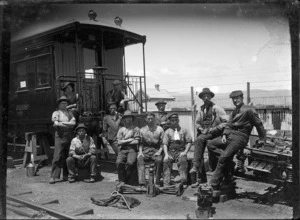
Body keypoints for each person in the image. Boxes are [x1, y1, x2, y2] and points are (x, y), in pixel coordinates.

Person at [207, 90, 266, 190]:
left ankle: (213, 183)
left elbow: (259, 124)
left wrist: (262, 139)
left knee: (222, 158)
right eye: (233, 99)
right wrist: (225, 134)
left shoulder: (249, 109)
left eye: (237, 98)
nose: (235, 100)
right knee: (211, 144)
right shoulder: (235, 110)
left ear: (242, 98)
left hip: (241, 137)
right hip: (230, 135)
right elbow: (229, 124)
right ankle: (229, 164)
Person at [189, 88, 228, 188]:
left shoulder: (217, 108)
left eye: (208, 96)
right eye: (204, 96)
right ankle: (201, 179)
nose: (206, 98)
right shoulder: (201, 109)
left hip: (215, 133)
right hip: (204, 133)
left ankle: (196, 166)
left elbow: (226, 122)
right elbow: (197, 123)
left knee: (199, 140)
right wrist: (201, 129)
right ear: (202, 98)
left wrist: (215, 129)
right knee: (199, 152)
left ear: (210, 97)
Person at [50, 96, 76, 184]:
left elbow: (74, 123)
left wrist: (62, 123)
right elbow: (56, 123)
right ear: (59, 104)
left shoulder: (70, 112)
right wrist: (68, 124)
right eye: (62, 103)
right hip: (60, 136)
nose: (64, 105)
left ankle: (66, 175)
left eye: (66, 103)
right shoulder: (56, 113)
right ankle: (53, 176)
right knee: (57, 156)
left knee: (68, 156)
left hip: (69, 135)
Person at [163, 113, 192, 188]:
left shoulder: (184, 130)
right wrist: (166, 154)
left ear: (178, 120)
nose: (174, 122)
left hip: (180, 152)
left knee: (183, 161)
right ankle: (166, 183)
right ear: (170, 121)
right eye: (172, 120)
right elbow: (165, 144)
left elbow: (189, 142)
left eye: (176, 120)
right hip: (170, 152)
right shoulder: (167, 132)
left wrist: (185, 152)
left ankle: (183, 181)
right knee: (166, 161)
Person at [137, 112, 164, 188]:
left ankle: (157, 181)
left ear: (154, 119)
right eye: (148, 119)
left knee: (159, 160)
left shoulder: (159, 129)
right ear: (146, 119)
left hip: (156, 150)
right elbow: (141, 143)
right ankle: (142, 183)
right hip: (145, 150)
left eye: (152, 119)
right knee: (140, 159)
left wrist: (159, 152)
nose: (150, 120)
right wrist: (140, 152)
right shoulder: (142, 130)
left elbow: (163, 143)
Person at [116, 110, 140, 184]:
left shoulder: (135, 129)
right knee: (119, 162)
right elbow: (118, 142)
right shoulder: (121, 130)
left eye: (129, 117)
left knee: (130, 163)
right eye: (126, 118)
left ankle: (127, 177)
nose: (128, 119)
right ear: (123, 119)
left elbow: (136, 141)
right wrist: (130, 139)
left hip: (132, 149)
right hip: (122, 150)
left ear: (132, 119)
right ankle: (121, 180)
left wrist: (124, 141)